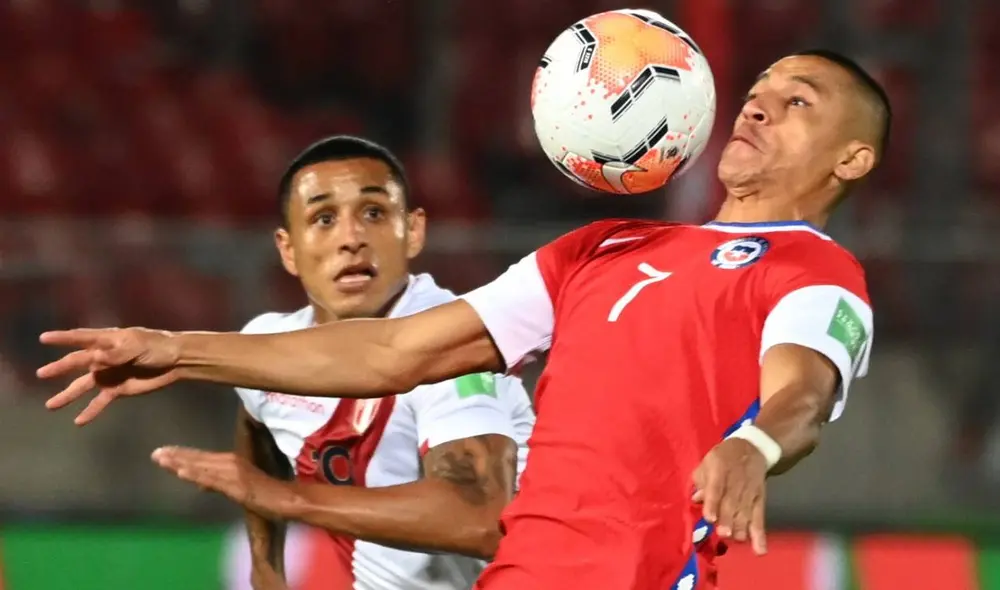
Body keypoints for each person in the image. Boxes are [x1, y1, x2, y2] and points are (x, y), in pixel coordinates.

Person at [38, 49, 888, 590]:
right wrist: (176, 350)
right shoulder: (603, 246)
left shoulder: (816, 272)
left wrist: (755, 445)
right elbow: (393, 350)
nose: (757, 107)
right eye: (758, 93)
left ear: (853, 158)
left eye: (799, 101)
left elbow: (802, 393)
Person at [159, 136, 537, 589]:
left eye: (374, 213)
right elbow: (257, 428)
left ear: (413, 231)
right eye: (324, 218)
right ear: (288, 250)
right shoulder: (270, 346)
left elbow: (481, 519)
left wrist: (286, 499)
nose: (352, 239)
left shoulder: (455, 348)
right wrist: (266, 566)